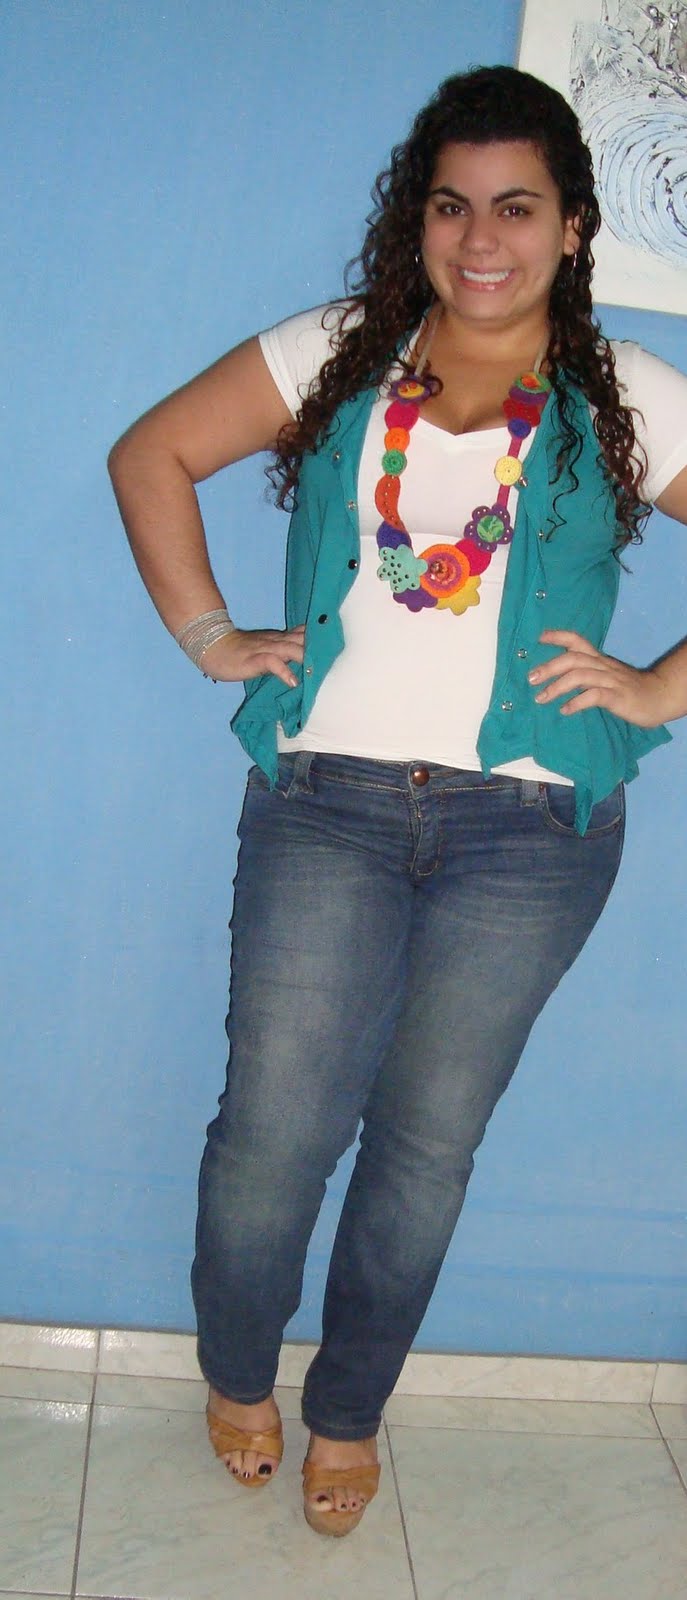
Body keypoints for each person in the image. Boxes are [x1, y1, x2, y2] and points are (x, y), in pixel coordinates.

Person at [108, 64, 687, 1538]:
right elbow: (151, 454)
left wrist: (657, 688)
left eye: (517, 207)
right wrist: (211, 637)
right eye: (451, 204)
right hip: (328, 802)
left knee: (428, 1146)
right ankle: (238, 1375)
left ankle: (351, 1408)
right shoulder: (338, 355)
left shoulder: (629, 394)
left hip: (532, 831)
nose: (480, 238)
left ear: (572, 228)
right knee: (273, 1128)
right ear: (416, 219)